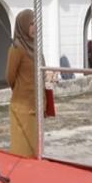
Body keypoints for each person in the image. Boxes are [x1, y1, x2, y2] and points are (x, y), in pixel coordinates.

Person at [5, 9, 55, 158]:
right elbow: (9, 76)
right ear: (23, 25)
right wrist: (22, 89)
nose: (34, 27)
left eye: (35, 24)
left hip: (37, 106)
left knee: (35, 153)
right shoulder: (17, 48)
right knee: (22, 153)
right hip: (22, 108)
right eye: (31, 24)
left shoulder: (36, 47)